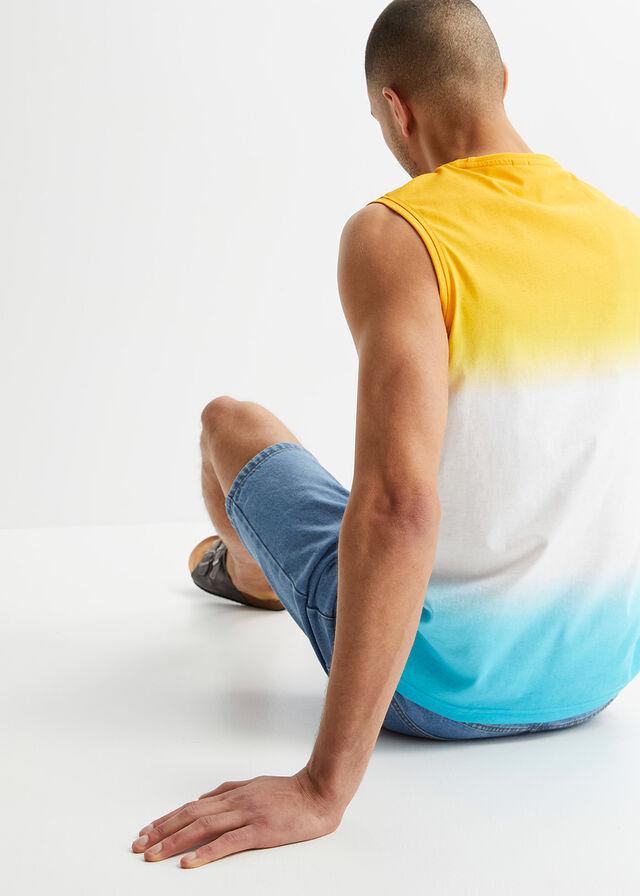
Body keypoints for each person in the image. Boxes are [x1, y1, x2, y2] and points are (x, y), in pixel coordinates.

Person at [132, 0, 640, 869]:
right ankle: (259, 573)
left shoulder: (399, 233)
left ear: (396, 109)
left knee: (229, 423)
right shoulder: (625, 235)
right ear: (502, 83)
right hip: (596, 681)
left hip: (436, 693)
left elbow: (400, 505)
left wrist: (322, 788)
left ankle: (253, 573)